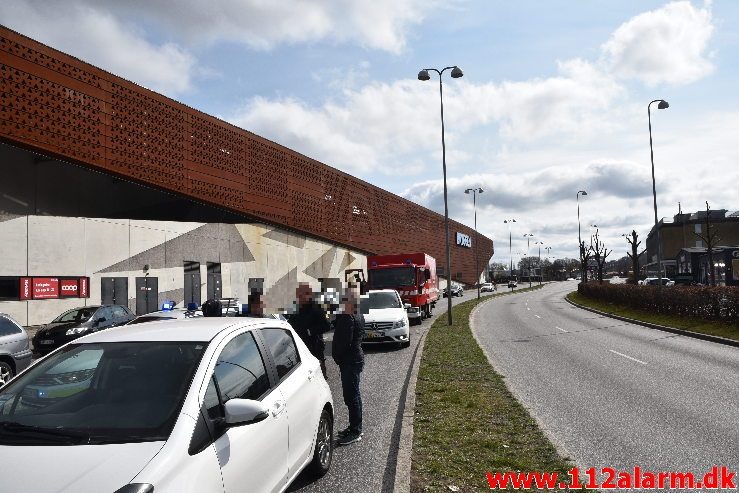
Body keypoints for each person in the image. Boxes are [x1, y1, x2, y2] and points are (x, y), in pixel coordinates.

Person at [332, 288, 365, 446]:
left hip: (350, 361)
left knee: (351, 397)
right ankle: (354, 426)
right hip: (354, 359)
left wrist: (336, 355)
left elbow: (344, 342)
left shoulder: (348, 316)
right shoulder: (357, 313)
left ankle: (355, 430)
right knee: (354, 395)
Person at [287, 283, 328, 377]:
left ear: (309, 295)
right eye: (298, 295)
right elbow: (291, 322)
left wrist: (310, 331)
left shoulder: (316, 308)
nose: (299, 297)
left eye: (301, 295)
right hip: (300, 346)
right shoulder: (296, 308)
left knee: (319, 374)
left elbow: (326, 325)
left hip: (315, 346)